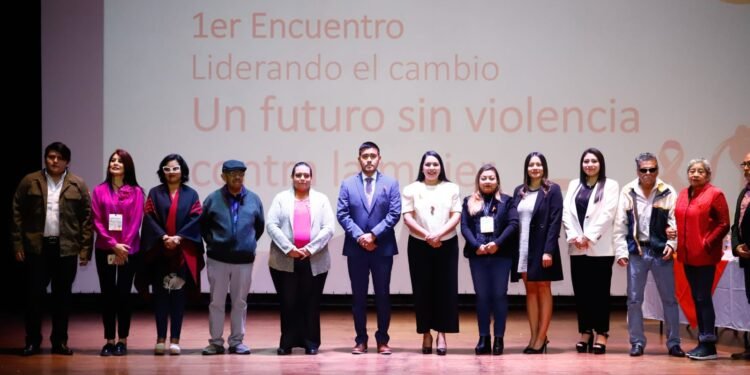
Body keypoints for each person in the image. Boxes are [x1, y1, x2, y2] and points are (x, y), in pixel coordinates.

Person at [11, 141, 93, 356]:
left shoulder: (78, 184)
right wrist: (17, 243)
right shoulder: (30, 181)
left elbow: (87, 218)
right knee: (34, 297)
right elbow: (16, 213)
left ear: (67, 161)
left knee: (62, 298)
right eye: (50, 157)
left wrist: (85, 250)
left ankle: (60, 342)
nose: (54, 161)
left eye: (59, 157)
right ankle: (32, 342)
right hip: (36, 249)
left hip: (65, 249)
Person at [612, 152, 685, 358]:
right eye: (644, 170)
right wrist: (621, 252)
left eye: (652, 169)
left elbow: (675, 223)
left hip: (661, 252)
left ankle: (674, 343)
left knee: (669, 300)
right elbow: (620, 225)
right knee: (634, 300)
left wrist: (672, 243)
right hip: (637, 252)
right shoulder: (628, 191)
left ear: (657, 170)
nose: (648, 173)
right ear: (637, 171)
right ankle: (637, 342)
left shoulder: (668, 191)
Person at [336, 141, 401, 355]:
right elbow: (342, 214)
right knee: (359, 297)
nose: (369, 159)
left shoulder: (391, 183)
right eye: (365, 156)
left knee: (383, 295)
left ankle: (382, 340)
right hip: (357, 249)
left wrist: (373, 235)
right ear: (359, 159)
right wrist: (360, 236)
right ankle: (361, 340)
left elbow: (394, 214)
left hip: (382, 249)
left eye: (373, 155)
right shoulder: (347, 184)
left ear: (379, 158)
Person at [267, 162, 335, 355]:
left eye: (306, 175)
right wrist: (289, 249)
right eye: (298, 175)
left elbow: (329, 228)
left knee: (311, 302)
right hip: (285, 260)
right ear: (292, 177)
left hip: (314, 259)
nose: (302, 178)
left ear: (311, 178)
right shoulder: (281, 198)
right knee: (288, 302)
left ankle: (311, 342)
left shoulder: (321, 199)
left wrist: (309, 249)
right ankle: (286, 342)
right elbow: (271, 225)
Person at [140, 153, 205, 355]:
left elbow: (196, 218)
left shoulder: (191, 194)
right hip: (160, 252)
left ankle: (175, 339)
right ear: (162, 172)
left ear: (182, 171)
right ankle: (160, 339)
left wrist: (179, 238)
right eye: (167, 169)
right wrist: (163, 238)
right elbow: (149, 217)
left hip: (181, 254)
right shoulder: (154, 193)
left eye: (175, 168)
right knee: (160, 296)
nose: (171, 172)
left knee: (178, 296)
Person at [200, 160, 264, 356]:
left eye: (241, 174)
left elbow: (259, 227)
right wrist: (215, 243)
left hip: (243, 261)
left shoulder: (254, 199)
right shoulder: (212, 199)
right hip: (218, 259)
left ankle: (237, 341)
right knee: (216, 302)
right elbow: (203, 227)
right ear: (223, 177)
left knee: (240, 302)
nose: (237, 177)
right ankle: (216, 342)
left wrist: (246, 244)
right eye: (232, 173)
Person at [402, 150, 461, 356]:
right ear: (422, 167)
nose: (432, 168)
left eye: (435, 164)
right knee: (422, 290)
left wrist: (438, 235)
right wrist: (428, 235)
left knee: (445, 291)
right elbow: (408, 217)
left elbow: (456, 216)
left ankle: (441, 334)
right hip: (419, 245)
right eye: (428, 164)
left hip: (447, 244)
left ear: (441, 167)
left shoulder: (452, 188)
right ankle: (426, 333)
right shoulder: (411, 189)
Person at [562, 147, 619, 354]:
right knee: (582, 293)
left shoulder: (610, 185)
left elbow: (608, 214)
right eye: (586, 161)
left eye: (594, 161)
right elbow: (567, 213)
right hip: (577, 248)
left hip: (600, 248)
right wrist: (574, 236)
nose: (589, 165)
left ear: (600, 163)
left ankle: (602, 332)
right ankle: (585, 331)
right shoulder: (573, 184)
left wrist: (589, 237)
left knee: (600, 293)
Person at [673, 158, 729, 360]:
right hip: (687, 256)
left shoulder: (715, 194)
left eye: (700, 171)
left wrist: (706, 242)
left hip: (705, 256)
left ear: (708, 175)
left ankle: (708, 344)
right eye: (692, 171)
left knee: (703, 298)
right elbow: (679, 218)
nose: (695, 174)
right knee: (696, 298)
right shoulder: (682, 194)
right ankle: (702, 342)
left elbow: (724, 224)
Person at [91, 149, 144, 356]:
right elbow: (97, 220)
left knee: (123, 295)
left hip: (129, 250)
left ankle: (122, 340)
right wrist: (113, 244)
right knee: (107, 295)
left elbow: (136, 222)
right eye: (112, 160)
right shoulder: (99, 190)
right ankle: (109, 340)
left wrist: (124, 246)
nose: (114, 163)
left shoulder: (137, 191)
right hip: (105, 249)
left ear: (126, 166)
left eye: (119, 161)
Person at [461, 164, 518, 355]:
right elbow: (465, 227)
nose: (487, 181)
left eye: (491, 178)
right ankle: (484, 338)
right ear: (478, 180)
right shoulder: (469, 201)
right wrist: (477, 246)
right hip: (478, 255)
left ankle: (499, 339)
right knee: (482, 297)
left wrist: (497, 244)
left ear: (497, 181)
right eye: (484, 178)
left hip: (501, 255)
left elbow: (513, 224)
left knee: (499, 296)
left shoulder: (508, 201)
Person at [512, 152, 564, 355]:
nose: (535, 168)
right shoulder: (520, 191)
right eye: (531, 164)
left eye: (538, 164)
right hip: (523, 248)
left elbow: (555, 221)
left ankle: (542, 337)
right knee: (530, 291)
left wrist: (548, 251)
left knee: (543, 288)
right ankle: (533, 336)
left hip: (542, 248)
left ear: (544, 168)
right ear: (526, 168)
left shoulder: (552, 190)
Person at [731, 151, 750, 360]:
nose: (746, 168)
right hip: (746, 257)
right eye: (744, 164)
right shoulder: (743, 192)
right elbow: (736, 225)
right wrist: (736, 246)